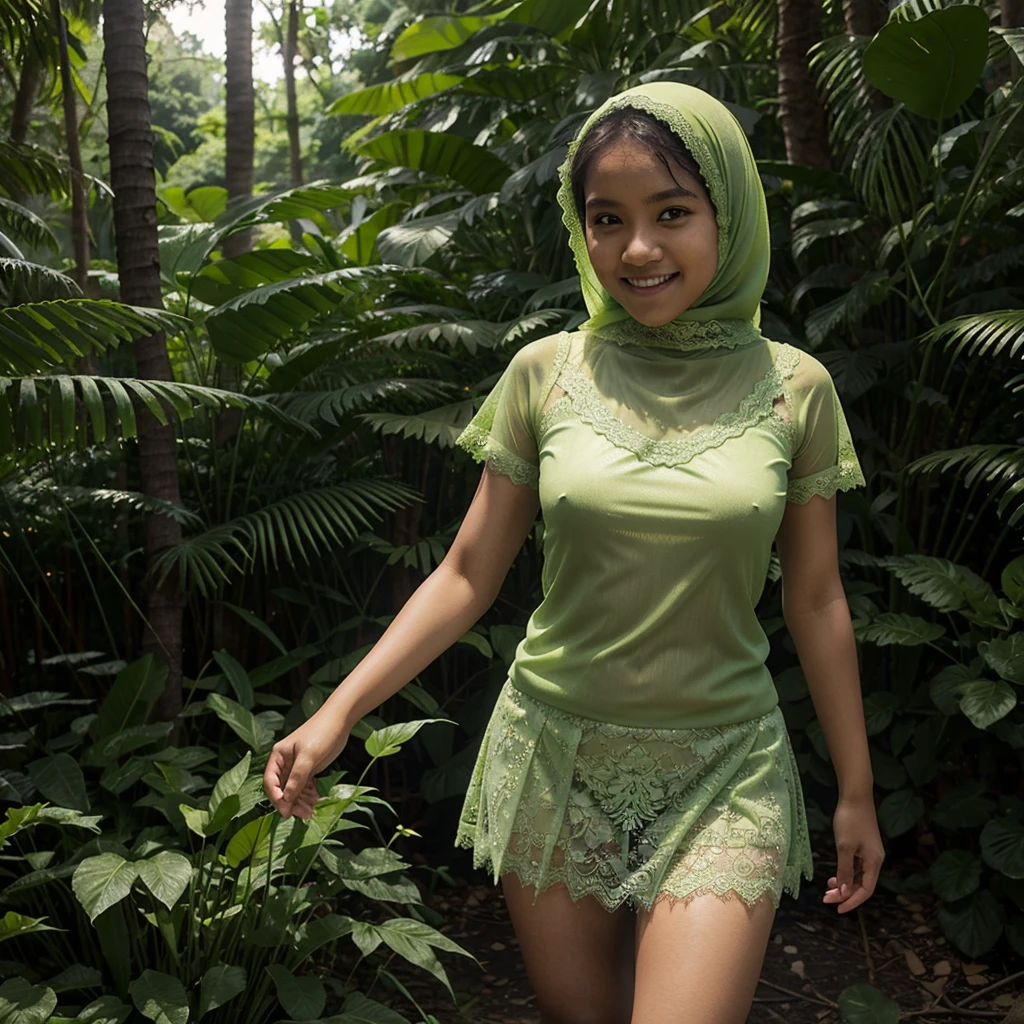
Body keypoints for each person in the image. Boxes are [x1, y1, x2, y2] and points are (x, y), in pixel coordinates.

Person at [264, 82, 886, 1024]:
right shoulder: (544, 373)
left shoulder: (795, 389)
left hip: (728, 770)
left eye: (671, 213)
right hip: (554, 757)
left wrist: (857, 789)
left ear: (731, 214)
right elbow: (469, 572)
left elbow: (816, 599)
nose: (637, 249)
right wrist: (339, 712)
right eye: (608, 219)